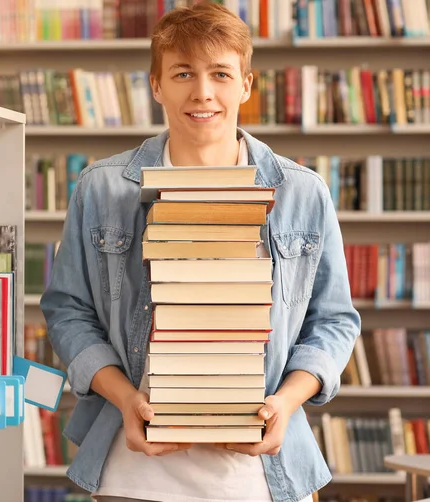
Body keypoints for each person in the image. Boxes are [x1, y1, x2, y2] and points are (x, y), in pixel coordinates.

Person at [40, 3, 361, 502]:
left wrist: (286, 403)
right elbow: (67, 310)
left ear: (246, 85)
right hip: (133, 474)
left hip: (261, 477)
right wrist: (125, 400)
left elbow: (334, 320)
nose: (203, 92)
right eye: (183, 73)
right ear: (156, 85)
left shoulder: (303, 192)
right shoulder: (100, 188)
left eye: (220, 74)